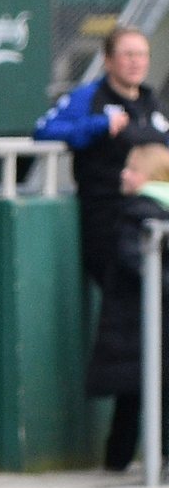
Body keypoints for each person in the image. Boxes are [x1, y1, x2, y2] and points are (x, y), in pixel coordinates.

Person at [34, 26, 169, 292]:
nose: (136, 62)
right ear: (108, 60)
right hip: (108, 217)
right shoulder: (89, 97)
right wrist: (97, 125)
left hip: (156, 215)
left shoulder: (152, 103)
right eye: (128, 54)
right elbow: (43, 130)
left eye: (142, 55)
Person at [88, 141, 169, 472]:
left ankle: (125, 459)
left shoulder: (142, 212)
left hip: (143, 321)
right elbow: (134, 260)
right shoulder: (138, 215)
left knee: (141, 394)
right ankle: (121, 459)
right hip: (137, 321)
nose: (123, 174)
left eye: (132, 169)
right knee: (136, 394)